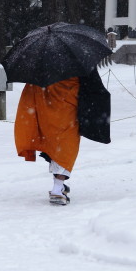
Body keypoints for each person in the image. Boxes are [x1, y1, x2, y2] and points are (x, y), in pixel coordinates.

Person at [14, 68, 110, 206]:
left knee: (55, 150)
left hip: (47, 113)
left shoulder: (43, 66)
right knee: (66, 151)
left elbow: (33, 90)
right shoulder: (77, 63)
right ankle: (57, 189)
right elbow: (93, 87)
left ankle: (59, 186)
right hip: (68, 114)